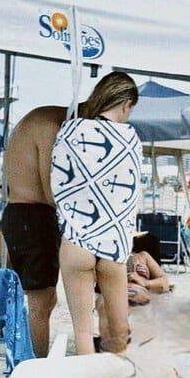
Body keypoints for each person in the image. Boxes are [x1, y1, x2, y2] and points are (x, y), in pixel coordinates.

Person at [51, 72, 141, 355]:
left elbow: (58, 185)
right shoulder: (130, 138)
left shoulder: (70, 131)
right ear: (126, 104)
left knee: (83, 333)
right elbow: (132, 195)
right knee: (120, 329)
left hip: (76, 240)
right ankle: (118, 377)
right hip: (113, 243)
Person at [0, 104, 66, 355]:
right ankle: (36, 367)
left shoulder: (32, 121)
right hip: (34, 217)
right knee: (41, 303)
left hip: (17, 214)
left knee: (39, 300)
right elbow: (51, 190)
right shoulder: (49, 126)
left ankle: (22, 358)